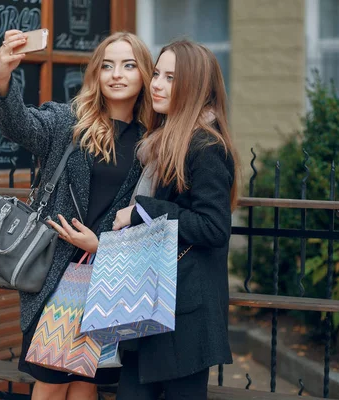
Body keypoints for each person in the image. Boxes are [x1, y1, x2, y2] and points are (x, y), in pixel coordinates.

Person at [0, 30, 154, 400]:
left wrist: (102, 245)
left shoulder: (151, 140)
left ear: (143, 74)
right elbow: (16, 124)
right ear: (96, 74)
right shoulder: (68, 122)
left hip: (107, 278)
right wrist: (4, 75)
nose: (117, 74)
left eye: (129, 65)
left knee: (85, 386)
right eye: (107, 66)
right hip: (56, 273)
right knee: (51, 383)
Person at [108, 39, 240, 400]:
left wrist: (143, 210)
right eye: (156, 74)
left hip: (185, 318)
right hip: (148, 305)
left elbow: (214, 227)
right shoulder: (161, 143)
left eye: (171, 77)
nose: (157, 84)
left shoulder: (206, 148)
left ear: (195, 87)